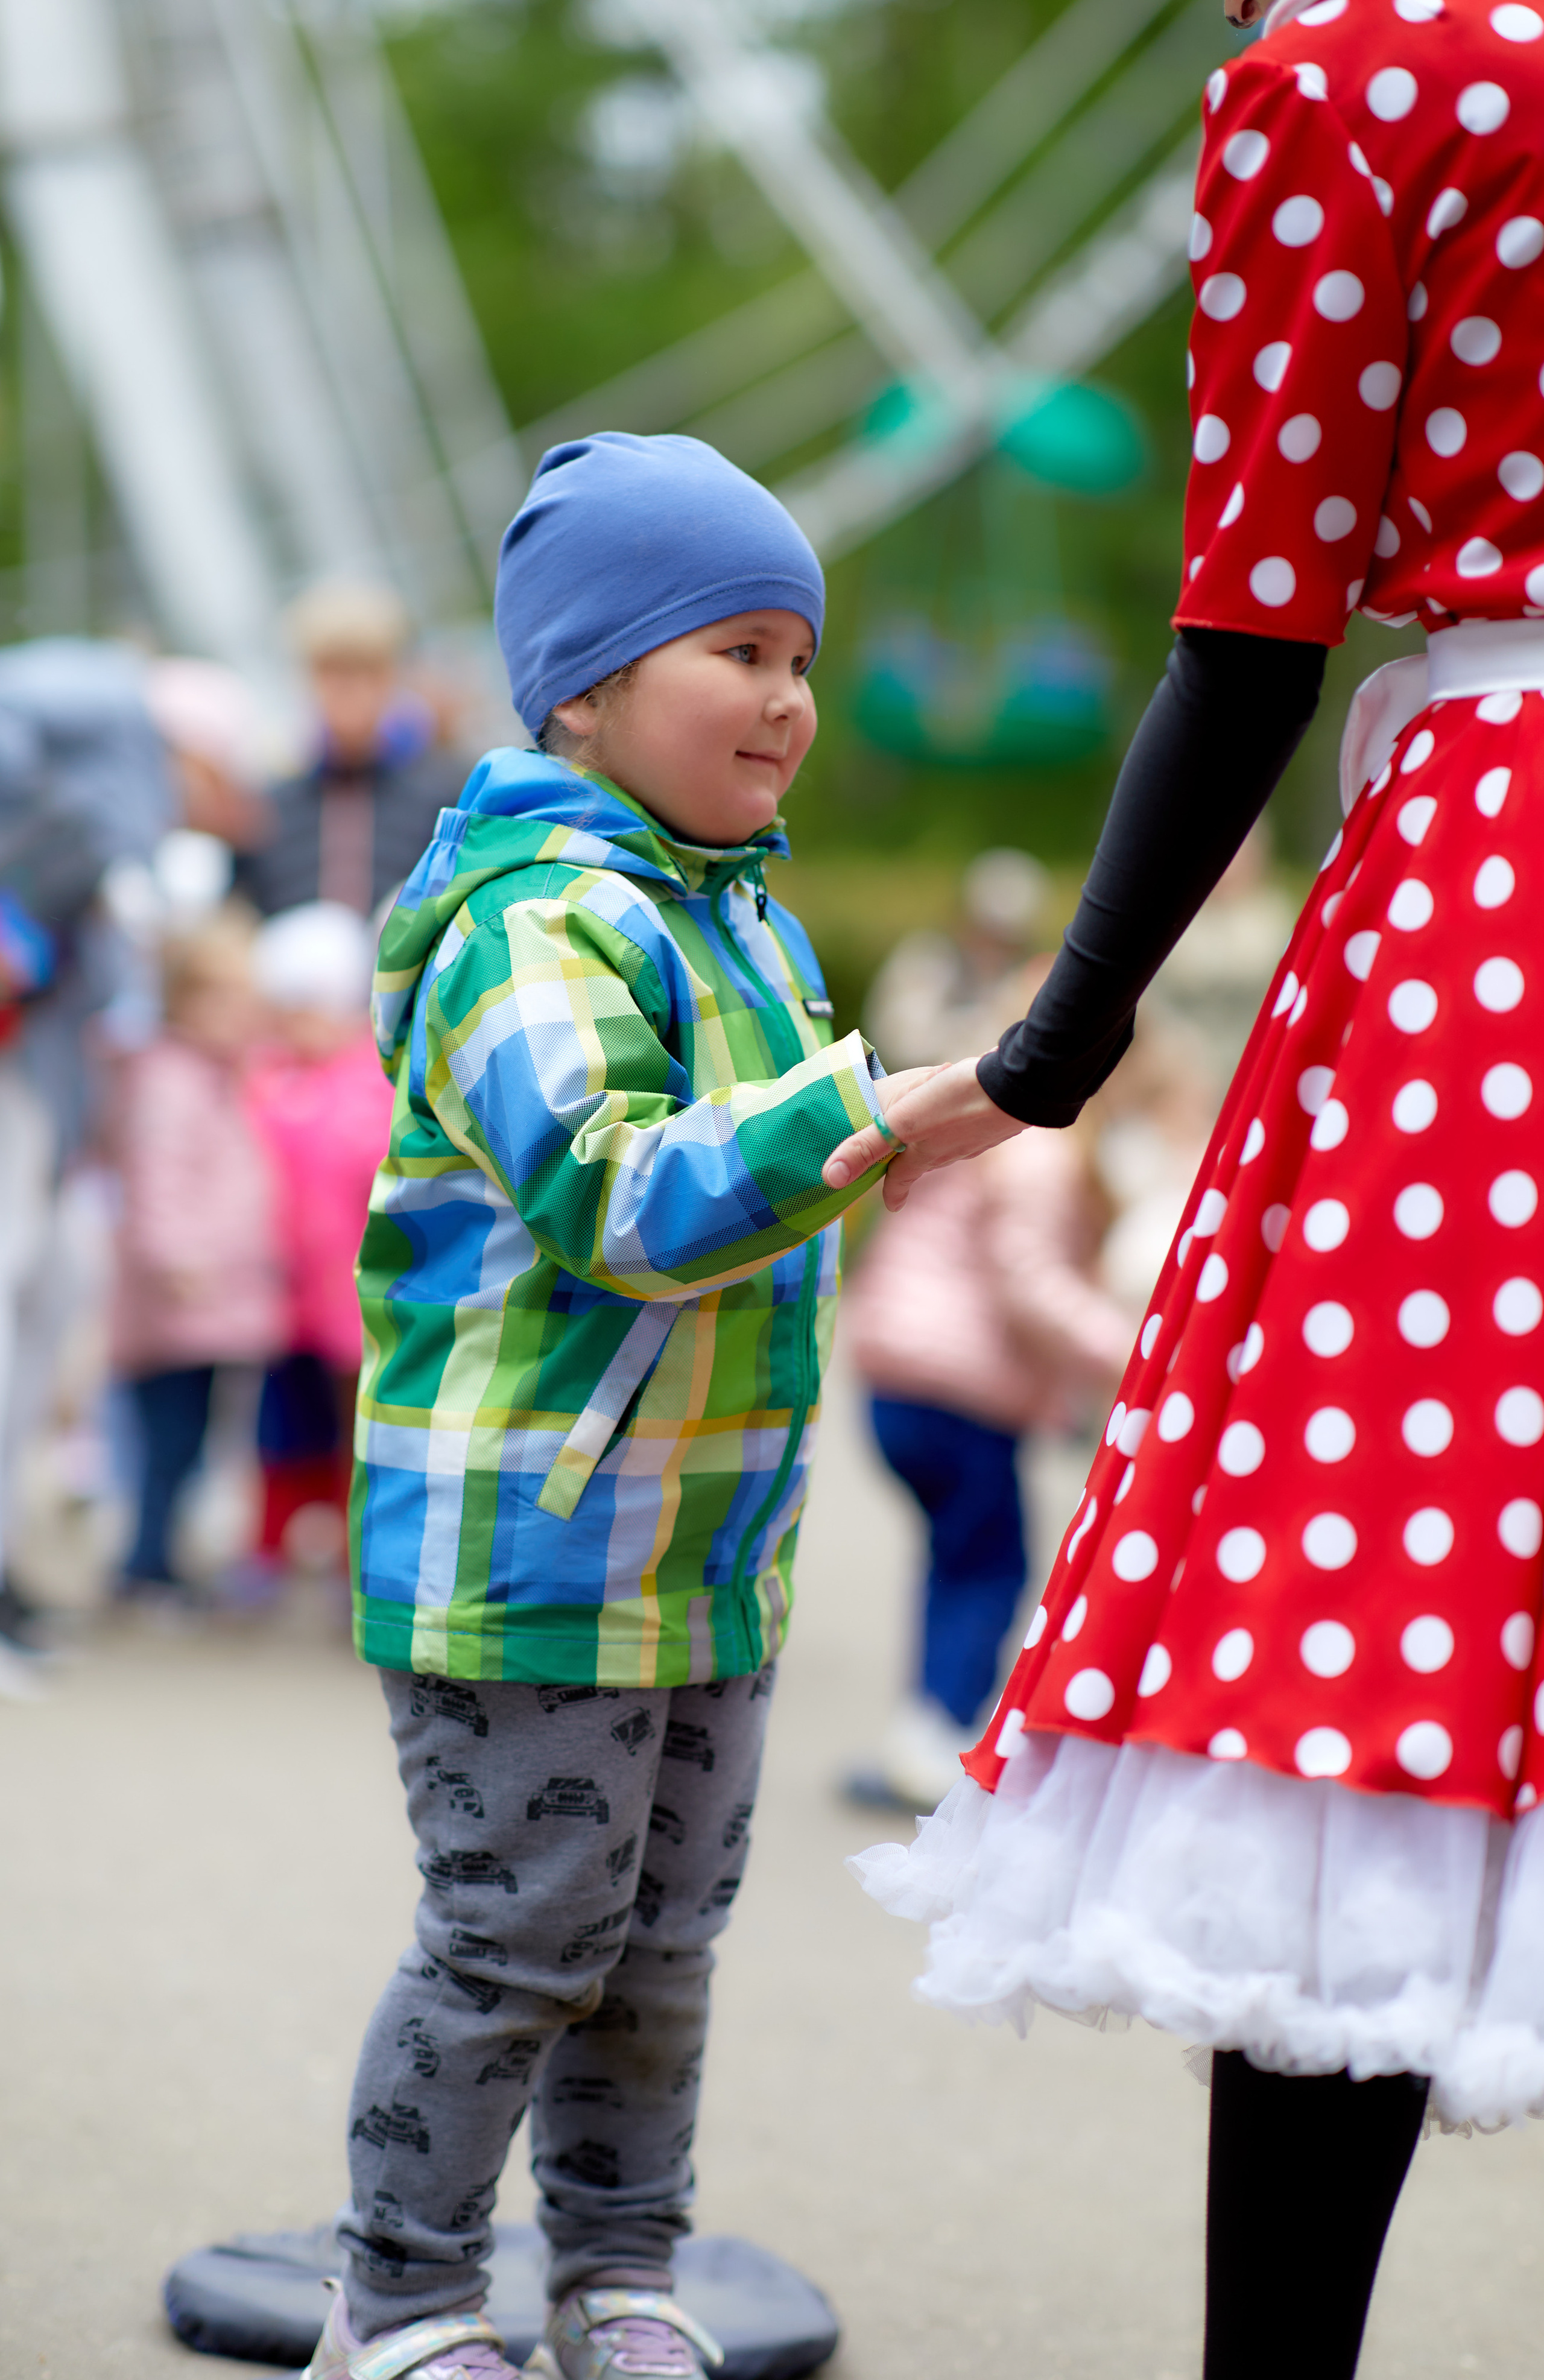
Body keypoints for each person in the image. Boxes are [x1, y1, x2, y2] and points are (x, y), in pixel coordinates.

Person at [829, 0, 1544, 2370]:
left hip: (1492, 901)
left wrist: (1057, 1033)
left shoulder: (1358, 67)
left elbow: (1251, 629)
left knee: (1359, 1662)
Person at [306, 432, 925, 2380]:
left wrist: (879, 1137)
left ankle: (617, 2271)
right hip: (536, 1548)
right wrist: (889, 1105)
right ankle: (396, 2295)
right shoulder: (528, 919)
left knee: (660, 1951)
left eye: (802, 656)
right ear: (583, 678)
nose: (791, 700)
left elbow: (777, 1185)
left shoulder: (745, 911)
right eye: (739, 648)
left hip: (708, 1549)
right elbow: (619, 1193)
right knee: (515, 1943)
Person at [843, 955, 1134, 1809]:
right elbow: (1030, 1284)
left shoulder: (988, 1103)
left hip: (900, 1361)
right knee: (989, 1561)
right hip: (960, 1379)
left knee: (958, 1551)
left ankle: (921, 1726)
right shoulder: (1048, 1141)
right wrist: (1134, 1352)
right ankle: (934, 1733)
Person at [111, 918, 281, 1600]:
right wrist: (175, 1256)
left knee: (203, 1435)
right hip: (182, 1295)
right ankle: (146, 1562)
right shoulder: (169, 1082)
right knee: (168, 1437)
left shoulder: (222, 1078)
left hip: (221, 1296)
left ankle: (167, 1555)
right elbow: (158, 1175)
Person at [242, 902, 394, 1595]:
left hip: (350, 1302)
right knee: (278, 1429)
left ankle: (351, 1558)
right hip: (280, 1296)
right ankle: (266, 1547)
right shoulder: (265, 1077)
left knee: (352, 1431)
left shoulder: (369, 1082)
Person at [236, 580, 466, 922]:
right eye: (332, 672)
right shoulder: (269, 810)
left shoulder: (448, 787)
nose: (351, 691)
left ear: (394, 674)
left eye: (367, 671)